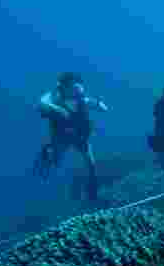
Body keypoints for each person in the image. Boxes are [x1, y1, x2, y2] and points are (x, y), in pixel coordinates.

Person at [35, 72, 109, 202]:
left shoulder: (82, 99)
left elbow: (97, 105)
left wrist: (99, 104)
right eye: (73, 87)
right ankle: (47, 154)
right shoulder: (54, 98)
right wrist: (57, 109)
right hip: (62, 136)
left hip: (80, 137)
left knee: (91, 164)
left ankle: (92, 191)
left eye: (78, 88)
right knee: (56, 159)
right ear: (65, 87)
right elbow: (41, 103)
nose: (77, 91)